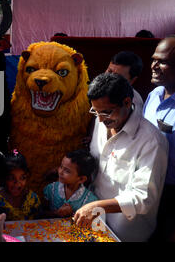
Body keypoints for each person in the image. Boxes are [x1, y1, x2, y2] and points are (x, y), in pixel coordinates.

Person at [74, 73, 168, 242]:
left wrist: (97, 206)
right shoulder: (101, 121)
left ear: (127, 102)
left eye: (107, 112)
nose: (101, 119)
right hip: (95, 225)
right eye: (95, 112)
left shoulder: (151, 141)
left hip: (127, 233)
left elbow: (143, 197)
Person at [143, 35, 175, 241]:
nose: (154, 66)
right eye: (154, 59)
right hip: (148, 188)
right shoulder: (154, 95)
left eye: (162, 62)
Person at [42, 149, 98, 218]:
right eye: (61, 167)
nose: (60, 172)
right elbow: (41, 214)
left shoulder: (90, 201)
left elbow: (90, 224)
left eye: (67, 171)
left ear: (81, 179)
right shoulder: (51, 189)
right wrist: (56, 213)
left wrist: (72, 214)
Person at [0, 150, 41, 221]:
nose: (17, 183)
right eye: (11, 178)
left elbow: (40, 221)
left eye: (22, 178)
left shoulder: (33, 199)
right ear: (4, 178)